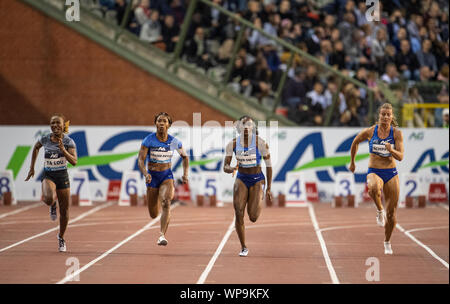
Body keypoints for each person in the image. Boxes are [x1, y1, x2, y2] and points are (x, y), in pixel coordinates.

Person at [349, 103, 404, 255]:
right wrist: (352, 162)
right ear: (379, 116)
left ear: (392, 117)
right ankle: (380, 210)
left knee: (392, 214)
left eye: (388, 114)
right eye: (383, 114)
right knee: (373, 188)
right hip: (374, 170)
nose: (385, 117)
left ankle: (387, 241)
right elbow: (355, 142)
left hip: (391, 172)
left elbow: (400, 156)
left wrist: (391, 149)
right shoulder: (370, 131)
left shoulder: (396, 133)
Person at [25, 114, 78, 252]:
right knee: (48, 198)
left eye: (57, 123)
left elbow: (74, 161)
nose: (54, 125)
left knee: (65, 211)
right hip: (49, 174)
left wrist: (63, 150)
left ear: (62, 125)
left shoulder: (69, 141)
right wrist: (32, 167)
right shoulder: (45, 139)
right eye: (52, 123)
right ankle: (52, 204)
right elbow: (36, 147)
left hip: (62, 175)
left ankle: (61, 237)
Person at [223, 116, 273, 257]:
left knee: (253, 217)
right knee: (239, 212)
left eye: (249, 125)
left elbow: (269, 166)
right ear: (239, 128)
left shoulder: (261, 143)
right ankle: (243, 247)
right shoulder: (232, 144)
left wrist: (269, 187)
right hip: (241, 179)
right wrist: (231, 168)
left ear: (253, 128)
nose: (246, 127)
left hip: (257, 179)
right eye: (243, 125)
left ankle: (258, 196)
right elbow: (225, 166)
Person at [138, 112, 189, 246]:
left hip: (166, 176)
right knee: (153, 214)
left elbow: (185, 157)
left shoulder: (173, 142)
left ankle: (162, 235)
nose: (161, 124)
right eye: (159, 121)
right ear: (155, 124)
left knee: (166, 202)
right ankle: (157, 211)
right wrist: (145, 173)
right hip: (152, 177)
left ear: (169, 125)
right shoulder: (149, 140)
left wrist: (185, 174)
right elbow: (140, 160)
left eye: (164, 121)